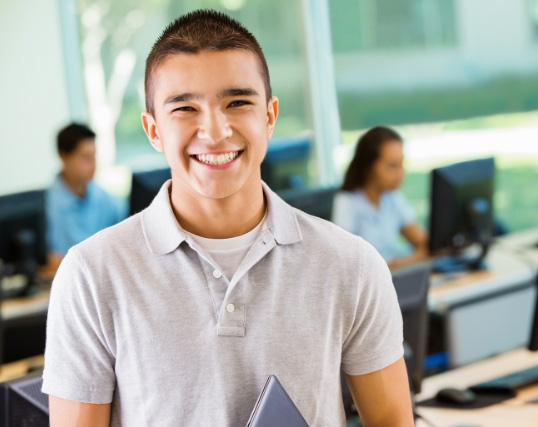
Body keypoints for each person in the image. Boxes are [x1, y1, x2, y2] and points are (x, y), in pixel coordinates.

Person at [42, 10, 413, 426]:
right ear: (153, 130)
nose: (215, 131)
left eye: (237, 102)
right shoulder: (90, 275)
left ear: (269, 116)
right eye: (184, 108)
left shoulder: (353, 264)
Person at [333, 126, 428, 269]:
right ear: (369, 166)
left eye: (401, 164)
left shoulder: (392, 196)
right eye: (392, 166)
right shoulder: (347, 202)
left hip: (393, 279)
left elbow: (422, 241)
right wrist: (408, 262)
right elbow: (347, 266)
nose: (400, 174)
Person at [46, 123, 126, 257]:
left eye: (94, 156)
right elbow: (54, 260)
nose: (93, 165)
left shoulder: (102, 196)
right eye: (86, 158)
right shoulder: (49, 204)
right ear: (63, 157)